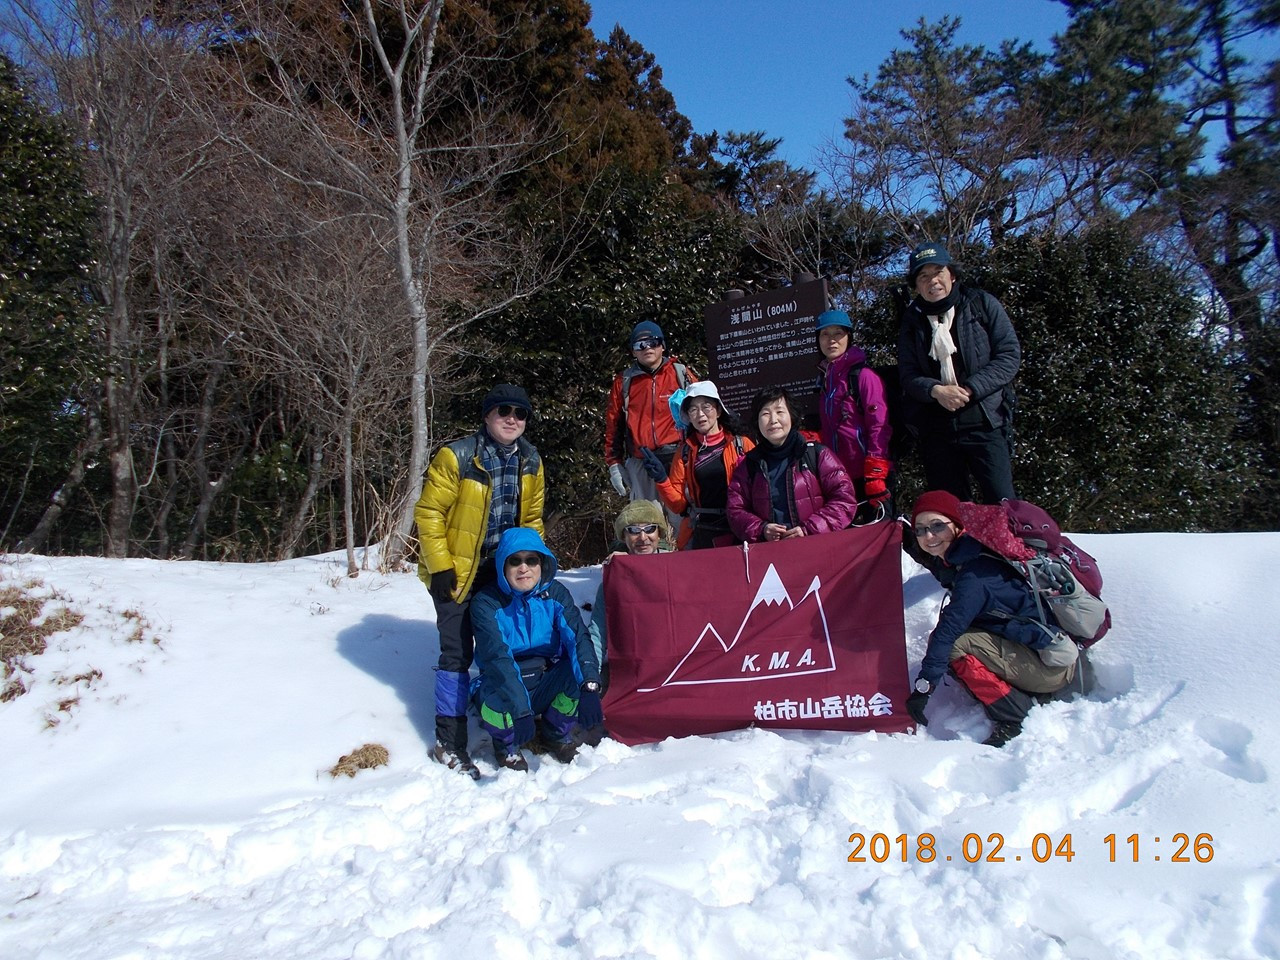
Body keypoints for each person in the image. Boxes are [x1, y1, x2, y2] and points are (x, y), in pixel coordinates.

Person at [415, 383, 544, 779]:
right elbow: (429, 512)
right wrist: (439, 565)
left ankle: (504, 738)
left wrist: (530, 567)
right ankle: (449, 743)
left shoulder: (532, 461)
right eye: (503, 410)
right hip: (457, 570)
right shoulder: (458, 457)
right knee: (456, 658)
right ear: (487, 416)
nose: (511, 419)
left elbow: (532, 521)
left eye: (519, 413)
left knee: (502, 651)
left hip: (502, 571)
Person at [903, 490, 1081, 747]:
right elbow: (945, 572)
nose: (928, 536)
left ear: (957, 524)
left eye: (937, 526)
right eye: (919, 530)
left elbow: (947, 633)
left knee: (954, 646)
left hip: (1050, 668)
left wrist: (924, 687)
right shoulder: (972, 554)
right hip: (1043, 652)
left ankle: (1014, 714)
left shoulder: (975, 576)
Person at [897, 242, 1021, 504]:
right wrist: (935, 390)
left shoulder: (980, 303)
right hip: (937, 427)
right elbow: (907, 374)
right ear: (916, 285)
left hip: (985, 421)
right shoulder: (912, 319)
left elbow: (1008, 356)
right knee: (950, 508)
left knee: (1002, 502)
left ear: (952, 274)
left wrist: (970, 388)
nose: (933, 281)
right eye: (923, 276)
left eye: (938, 272)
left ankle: (1006, 546)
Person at [727, 386, 859, 543]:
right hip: (772, 558)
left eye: (779, 412)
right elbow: (735, 509)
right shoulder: (749, 465)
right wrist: (761, 529)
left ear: (792, 416)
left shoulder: (817, 455)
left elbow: (844, 499)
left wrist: (809, 529)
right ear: (757, 421)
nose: (773, 420)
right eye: (765, 414)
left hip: (818, 550)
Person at [640, 381, 755, 549]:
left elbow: (760, 488)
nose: (700, 414)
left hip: (740, 528)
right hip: (703, 531)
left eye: (706, 407)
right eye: (693, 409)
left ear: (718, 410)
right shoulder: (685, 452)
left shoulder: (741, 444)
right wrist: (662, 480)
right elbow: (678, 505)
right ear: (688, 416)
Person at [603, 320, 697, 519]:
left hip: (678, 456)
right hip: (641, 459)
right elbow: (614, 424)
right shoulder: (624, 382)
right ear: (633, 351)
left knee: (683, 518)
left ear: (662, 346)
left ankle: (686, 551)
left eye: (653, 342)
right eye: (640, 345)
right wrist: (614, 464)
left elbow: (703, 411)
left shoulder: (680, 373)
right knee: (646, 521)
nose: (647, 348)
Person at [587, 499, 674, 699]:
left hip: (675, 666)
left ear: (658, 532)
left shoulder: (676, 568)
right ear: (624, 537)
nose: (643, 537)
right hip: (635, 668)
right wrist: (591, 677)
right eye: (634, 530)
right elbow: (598, 632)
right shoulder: (615, 579)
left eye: (649, 529)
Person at [814, 309, 893, 523]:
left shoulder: (863, 376)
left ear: (849, 337)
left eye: (838, 333)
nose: (831, 340)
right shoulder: (824, 380)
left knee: (879, 539)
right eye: (824, 334)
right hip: (839, 478)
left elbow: (880, 425)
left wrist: (876, 471)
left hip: (868, 476)